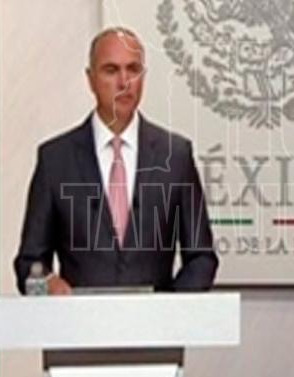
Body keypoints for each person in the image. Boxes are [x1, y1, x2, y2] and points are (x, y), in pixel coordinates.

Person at [13, 27, 218, 293]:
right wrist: (47, 284)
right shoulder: (55, 160)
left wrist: (168, 309)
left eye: (133, 69)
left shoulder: (176, 156)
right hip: (79, 318)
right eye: (111, 70)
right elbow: (29, 264)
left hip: (155, 319)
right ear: (90, 79)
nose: (124, 82)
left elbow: (202, 258)